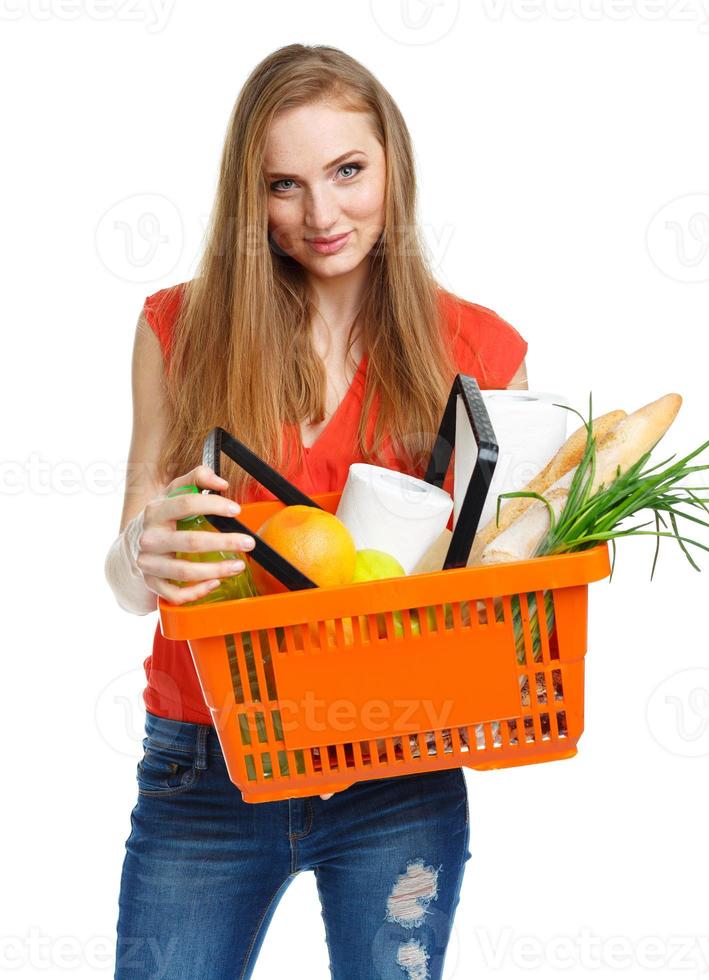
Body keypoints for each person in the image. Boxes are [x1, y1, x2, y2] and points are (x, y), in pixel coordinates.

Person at [106, 43, 528, 980]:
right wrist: (143, 550)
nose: (321, 215)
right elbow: (129, 580)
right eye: (283, 185)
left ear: (393, 165)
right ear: (247, 197)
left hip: (399, 776)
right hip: (205, 767)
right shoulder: (179, 330)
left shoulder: (481, 355)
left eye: (347, 172)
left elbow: (503, 586)